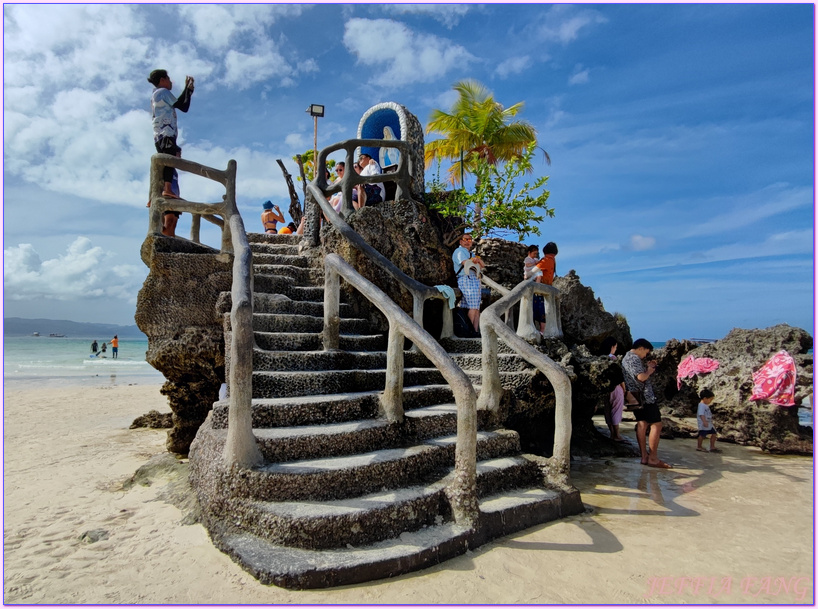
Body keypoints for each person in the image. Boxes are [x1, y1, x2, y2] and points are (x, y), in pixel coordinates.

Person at [622, 338, 671, 468]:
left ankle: (644, 456)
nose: (645, 355)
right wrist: (649, 370)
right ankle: (653, 458)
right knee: (656, 424)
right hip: (645, 397)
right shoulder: (634, 358)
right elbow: (641, 377)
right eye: (645, 352)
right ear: (641, 348)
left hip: (634, 396)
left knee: (642, 423)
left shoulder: (626, 358)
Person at [147, 69, 194, 200]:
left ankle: (154, 195)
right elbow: (182, 105)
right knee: (168, 161)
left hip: (159, 134)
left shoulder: (156, 94)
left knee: (163, 164)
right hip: (166, 131)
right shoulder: (163, 92)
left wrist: (188, 90)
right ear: (162, 80)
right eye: (168, 79)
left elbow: (183, 105)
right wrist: (188, 90)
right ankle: (167, 189)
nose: (171, 81)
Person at [452, 232, 486, 335]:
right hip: (466, 278)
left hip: (473, 279)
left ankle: (475, 330)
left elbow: (482, 265)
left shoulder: (471, 254)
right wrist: (475, 261)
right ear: (461, 241)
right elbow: (466, 263)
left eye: (469, 240)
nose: (468, 242)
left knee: (476, 306)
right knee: (473, 306)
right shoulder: (459, 251)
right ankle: (471, 330)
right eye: (465, 239)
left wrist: (476, 260)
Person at [601, 336, 626, 442]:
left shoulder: (600, 358)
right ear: (612, 347)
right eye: (615, 347)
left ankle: (612, 434)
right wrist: (624, 389)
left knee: (607, 410)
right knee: (616, 410)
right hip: (616, 388)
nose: (616, 349)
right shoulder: (613, 358)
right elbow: (619, 377)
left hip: (605, 389)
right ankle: (617, 435)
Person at [523, 245, 546, 334]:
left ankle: (537, 285)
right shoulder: (528, 259)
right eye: (534, 253)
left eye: (536, 254)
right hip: (529, 273)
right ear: (529, 253)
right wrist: (535, 263)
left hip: (533, 274)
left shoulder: (535, 259)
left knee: (539, 276)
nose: (535, 255)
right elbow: (527, 265)